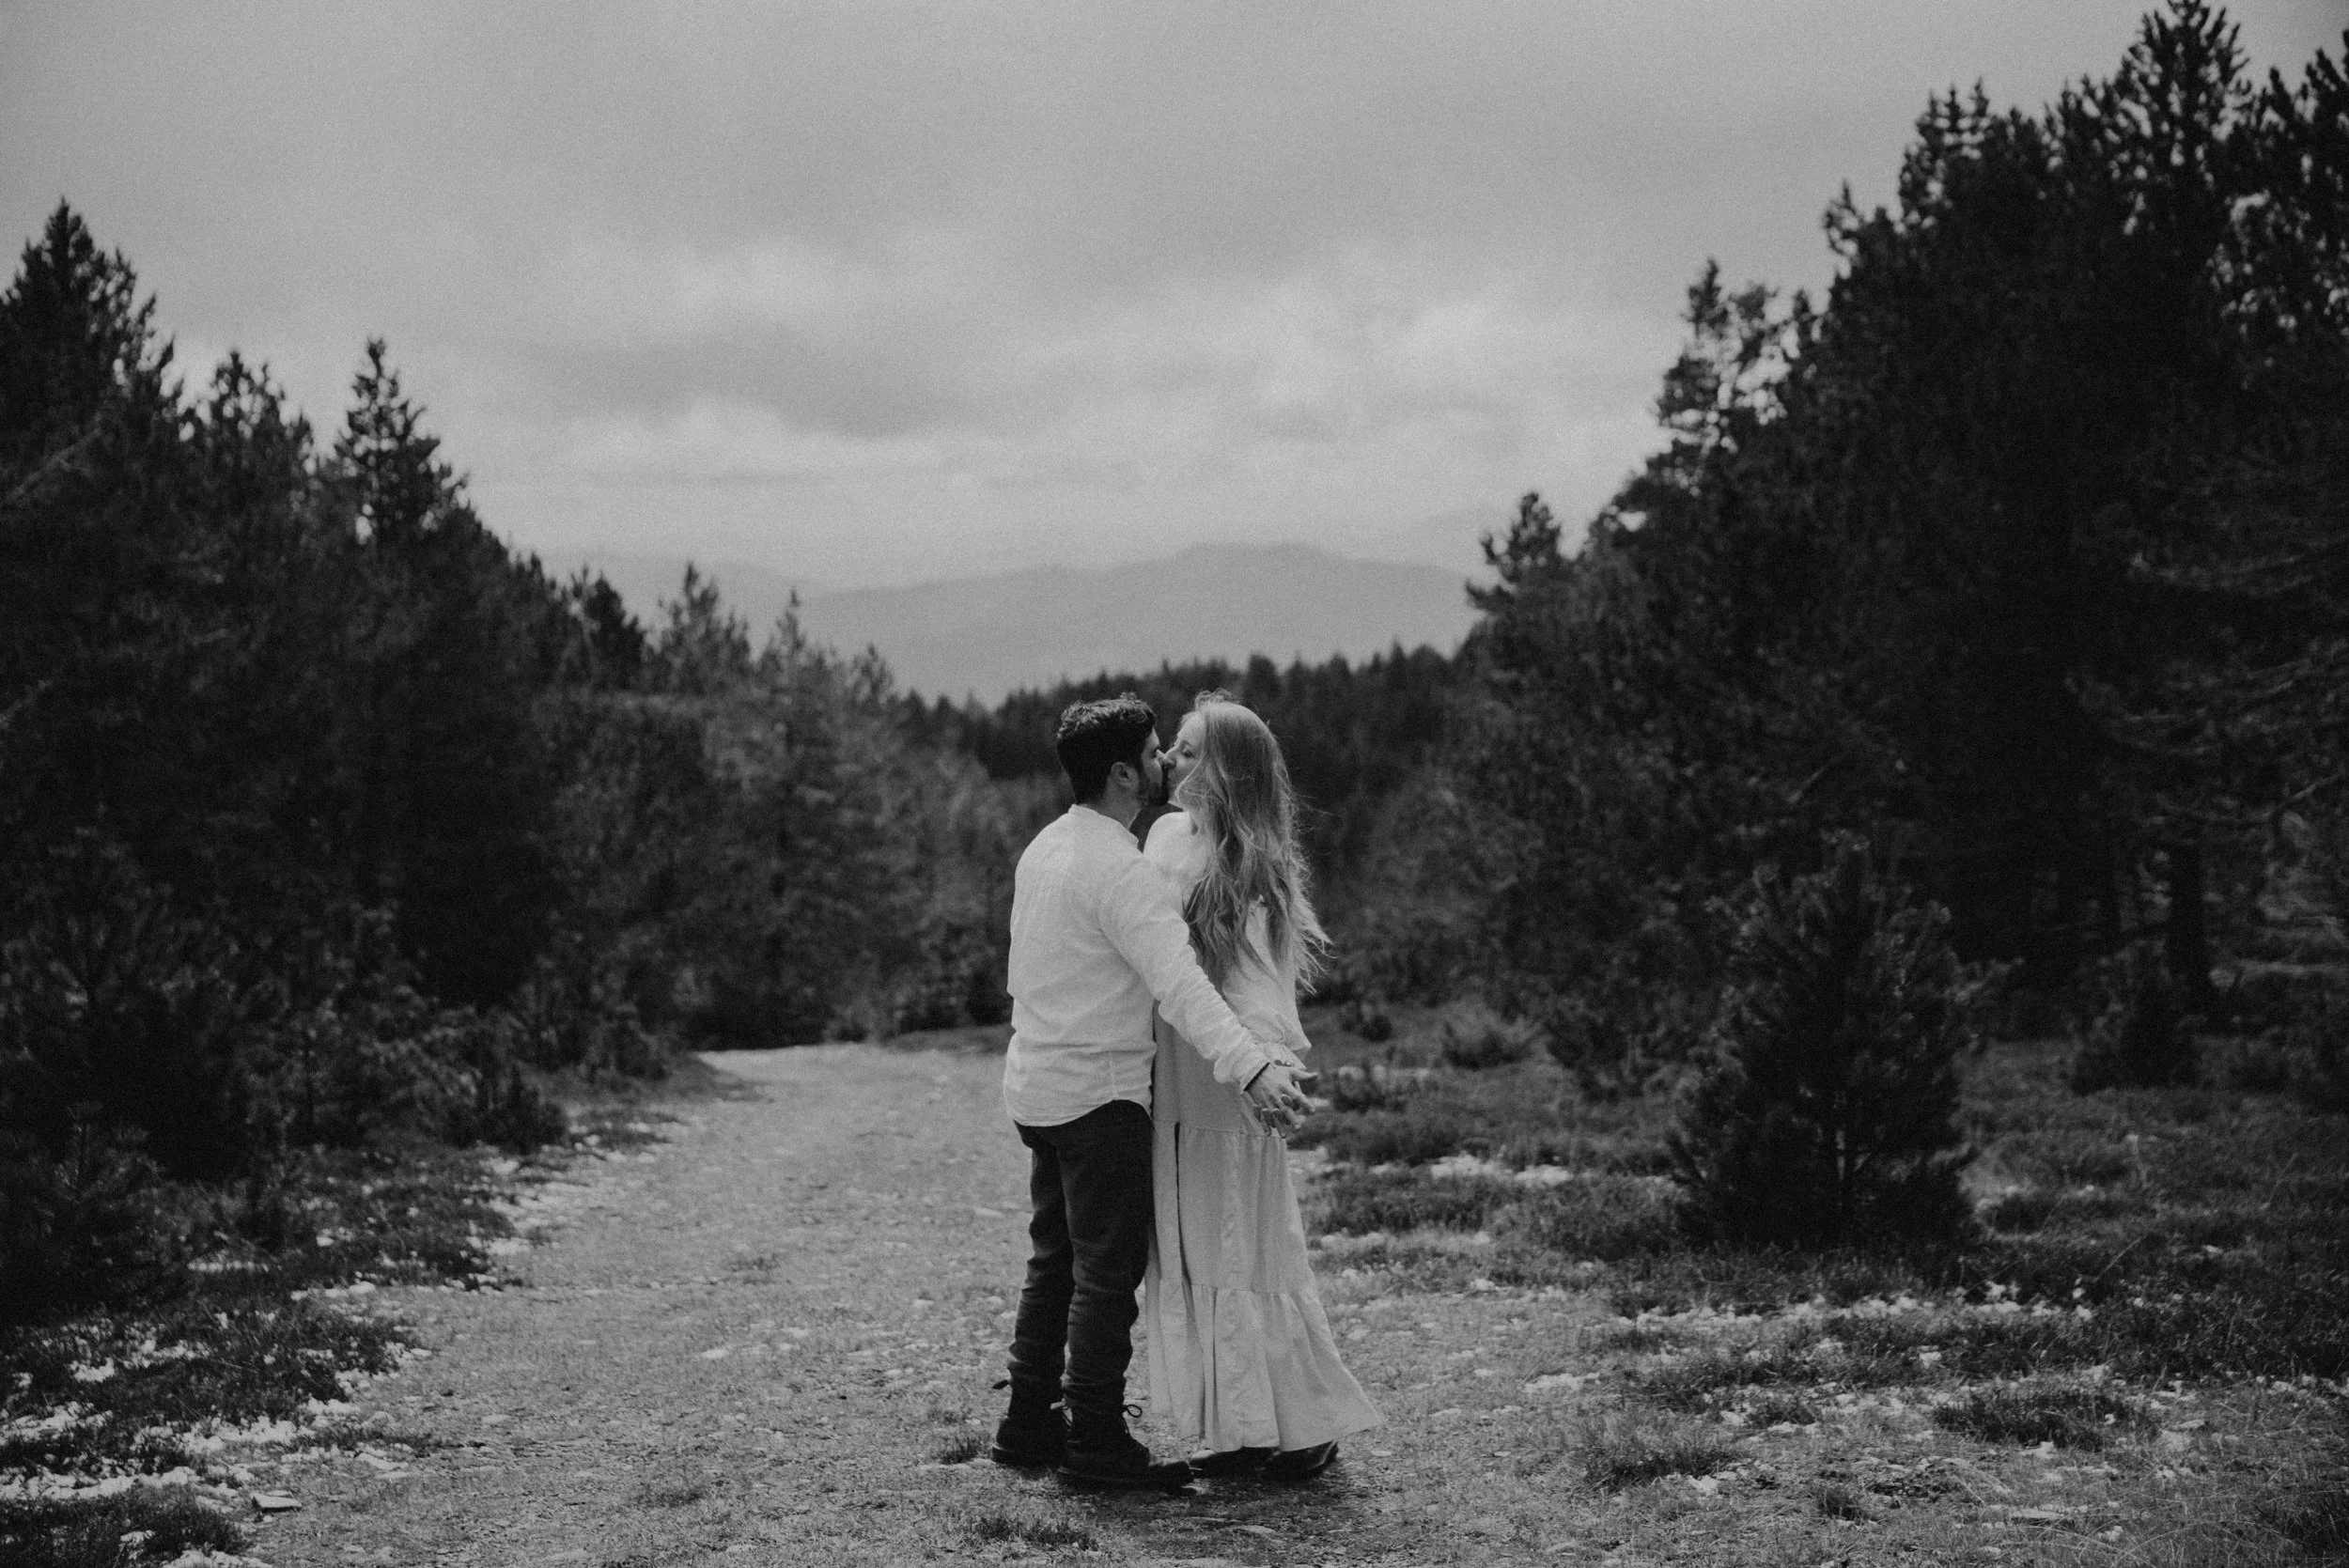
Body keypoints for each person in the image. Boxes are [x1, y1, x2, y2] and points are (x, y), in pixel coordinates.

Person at [992, 693, 1315, 1491]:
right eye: (1155, 750)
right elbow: (1182, 988)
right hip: (1099, 1095)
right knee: (1106, 1273)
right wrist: (1252, 1067)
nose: (1167, 761)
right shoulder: (1125, 870)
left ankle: (1028, 1423)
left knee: (1054, 1259)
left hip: (1035, 1086)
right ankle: (1097, 1440)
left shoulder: (1046, 847)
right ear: (1123, 774)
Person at [1142, 693, 1381, 1483]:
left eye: (1185, 749)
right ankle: (1239, 1424)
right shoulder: (1164, 836)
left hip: (1226, 1083)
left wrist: (1267, 1067)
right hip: (1173, 1084)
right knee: (1197, 1250)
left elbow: (1256, 984)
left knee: (1244, 1248)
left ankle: (1297, 1423)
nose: (1168, 761)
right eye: (1171, 747)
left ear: (1224, 771)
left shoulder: (1251, 866)